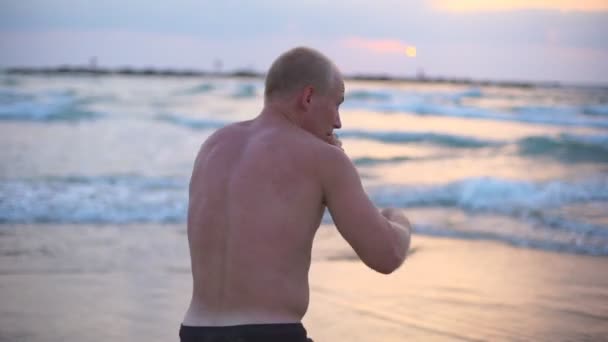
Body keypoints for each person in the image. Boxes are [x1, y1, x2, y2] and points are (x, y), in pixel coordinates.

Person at [180, 47, 412, 342]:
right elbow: (386, 254)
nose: (338, 122)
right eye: (337, 104)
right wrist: (399, 220)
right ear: (308, 97)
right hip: (269, 334)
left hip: (195, 331)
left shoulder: (213, 145)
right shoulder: (323, 158)